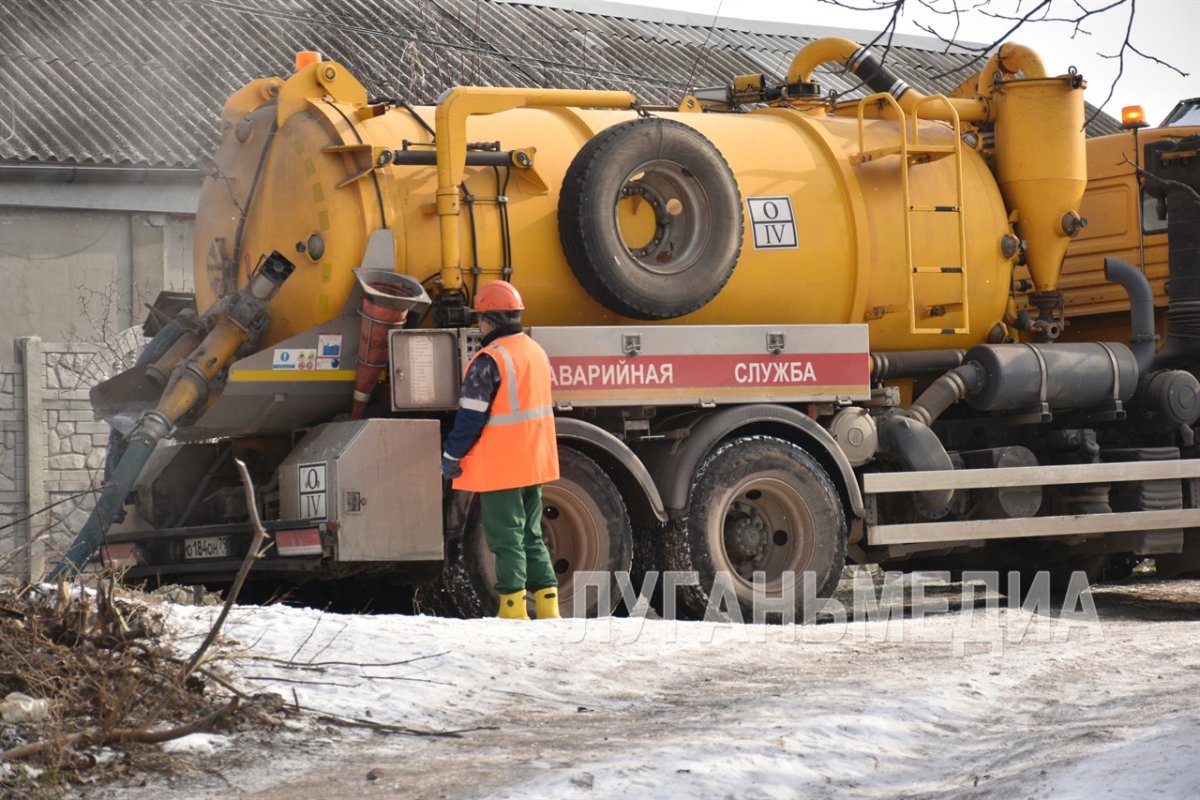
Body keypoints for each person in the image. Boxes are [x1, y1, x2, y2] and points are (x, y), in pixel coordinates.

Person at [441, 280, 561, 620]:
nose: (478, 325)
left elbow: (469, 418)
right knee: (531, 533)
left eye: (479, 318)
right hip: (533, 462)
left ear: (489, 319)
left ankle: (512, 610)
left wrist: (451, 457)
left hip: (502, 466)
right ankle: (549, 605)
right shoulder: (534, 351)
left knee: (506, 537)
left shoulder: (489, 360)